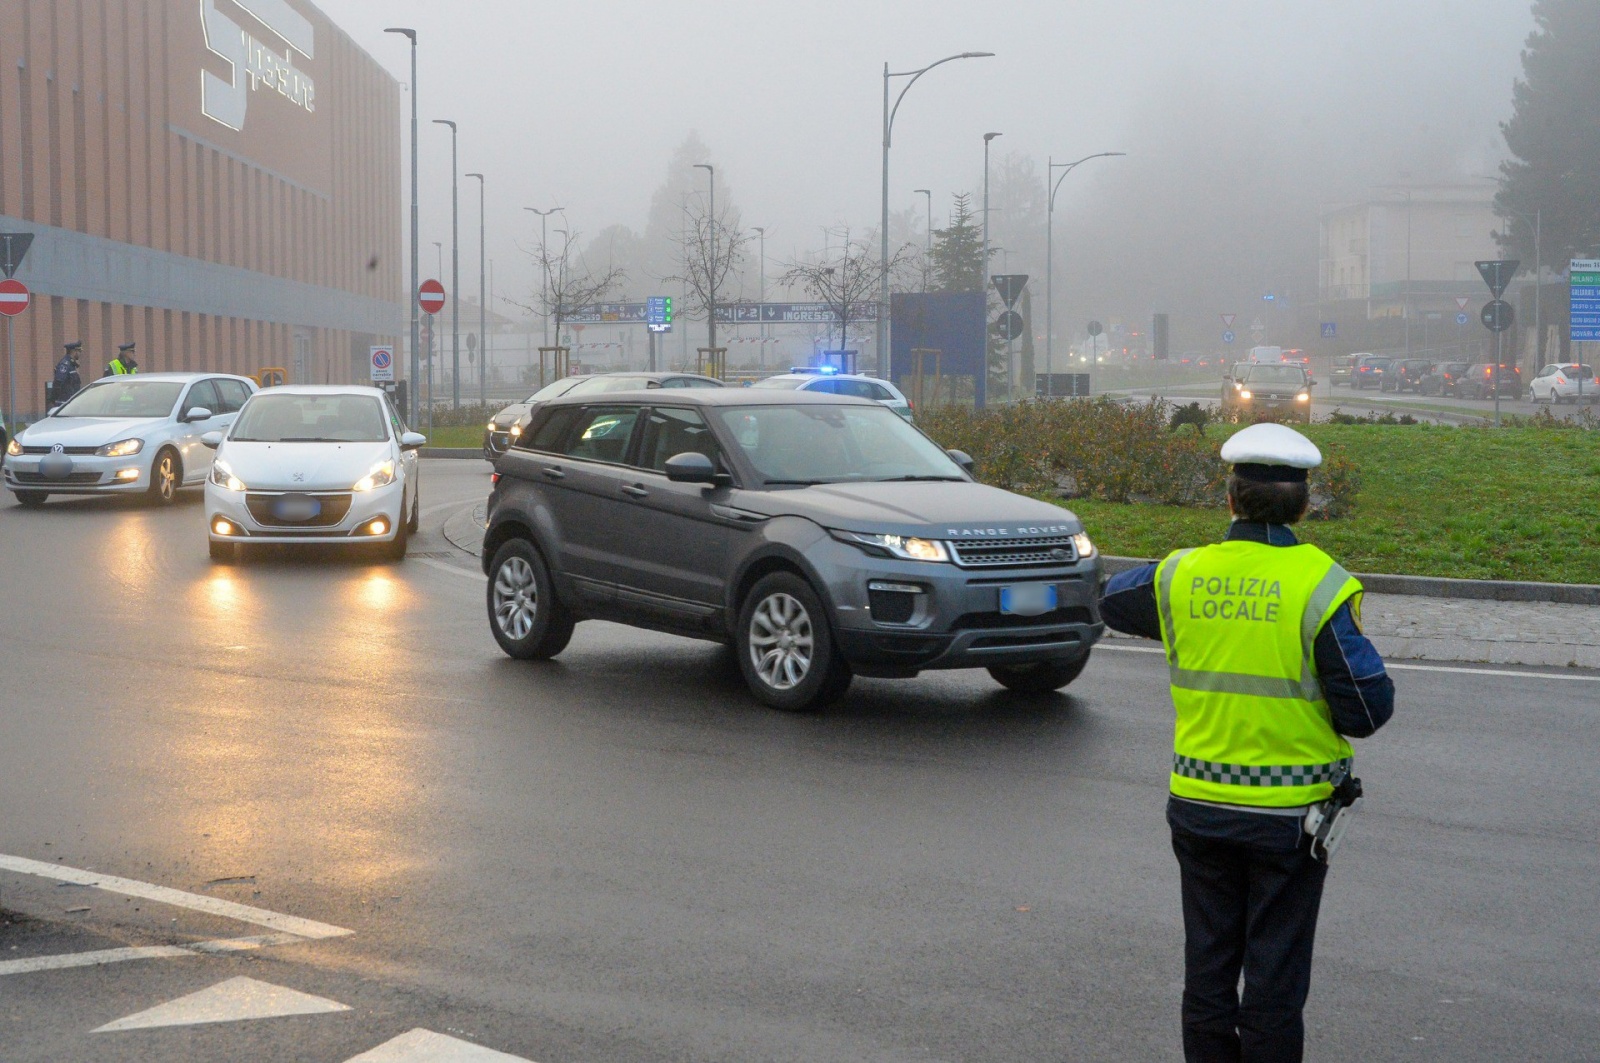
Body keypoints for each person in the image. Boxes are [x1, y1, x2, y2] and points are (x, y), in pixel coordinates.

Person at [1098, 422, 1394, 1063]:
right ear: (1304, 505)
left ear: (1228, 498)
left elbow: (1113, 599)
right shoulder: (1319, 584)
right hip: (1290, 818)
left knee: (1207, 970)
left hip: (1199, 807)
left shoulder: (1181, 574)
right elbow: (1368, 706)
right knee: (1274, 983)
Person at [52, 341, 84, 406]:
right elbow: (58, 382)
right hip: (64, 403)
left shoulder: (71, 364)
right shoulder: (65, 365)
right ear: (74, 351)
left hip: (70, 402)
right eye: (79, 351)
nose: (80, 353)